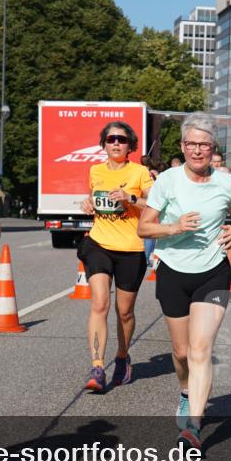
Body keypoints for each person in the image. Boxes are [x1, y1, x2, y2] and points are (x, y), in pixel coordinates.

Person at [138, 113, 231, 451]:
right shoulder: (168, 181)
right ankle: (186, 391)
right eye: (192, 144)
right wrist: (173, 228)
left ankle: (194, 427)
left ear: (212, 147)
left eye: (204, 144)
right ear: (183, 146)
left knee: (201, 350)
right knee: (182, 352)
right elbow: (144, 228)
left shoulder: (227, 183)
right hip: (172, 270)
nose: (198, 150)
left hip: (213, 271)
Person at [78, 121, 155, 392]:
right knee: (100, 303)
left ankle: (122, 357)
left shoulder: (140, 172)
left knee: (125, 312)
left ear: (130, 145)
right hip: (99, 243)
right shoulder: (95, 170)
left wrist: (130, 198)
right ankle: (97, 366)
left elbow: (156, 204)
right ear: (103, 144)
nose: (116, 144)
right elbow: (92, 199)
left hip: (132, 249)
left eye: (121, 140)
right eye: (110, 139)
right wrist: (86, 203)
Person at [211, 150, 231, 299]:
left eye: (218, 161)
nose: (216, 164)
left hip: (229, 225)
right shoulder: (203, 182)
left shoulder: (229, 180)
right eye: (213, 161)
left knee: (230, 262)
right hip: (211, 227)